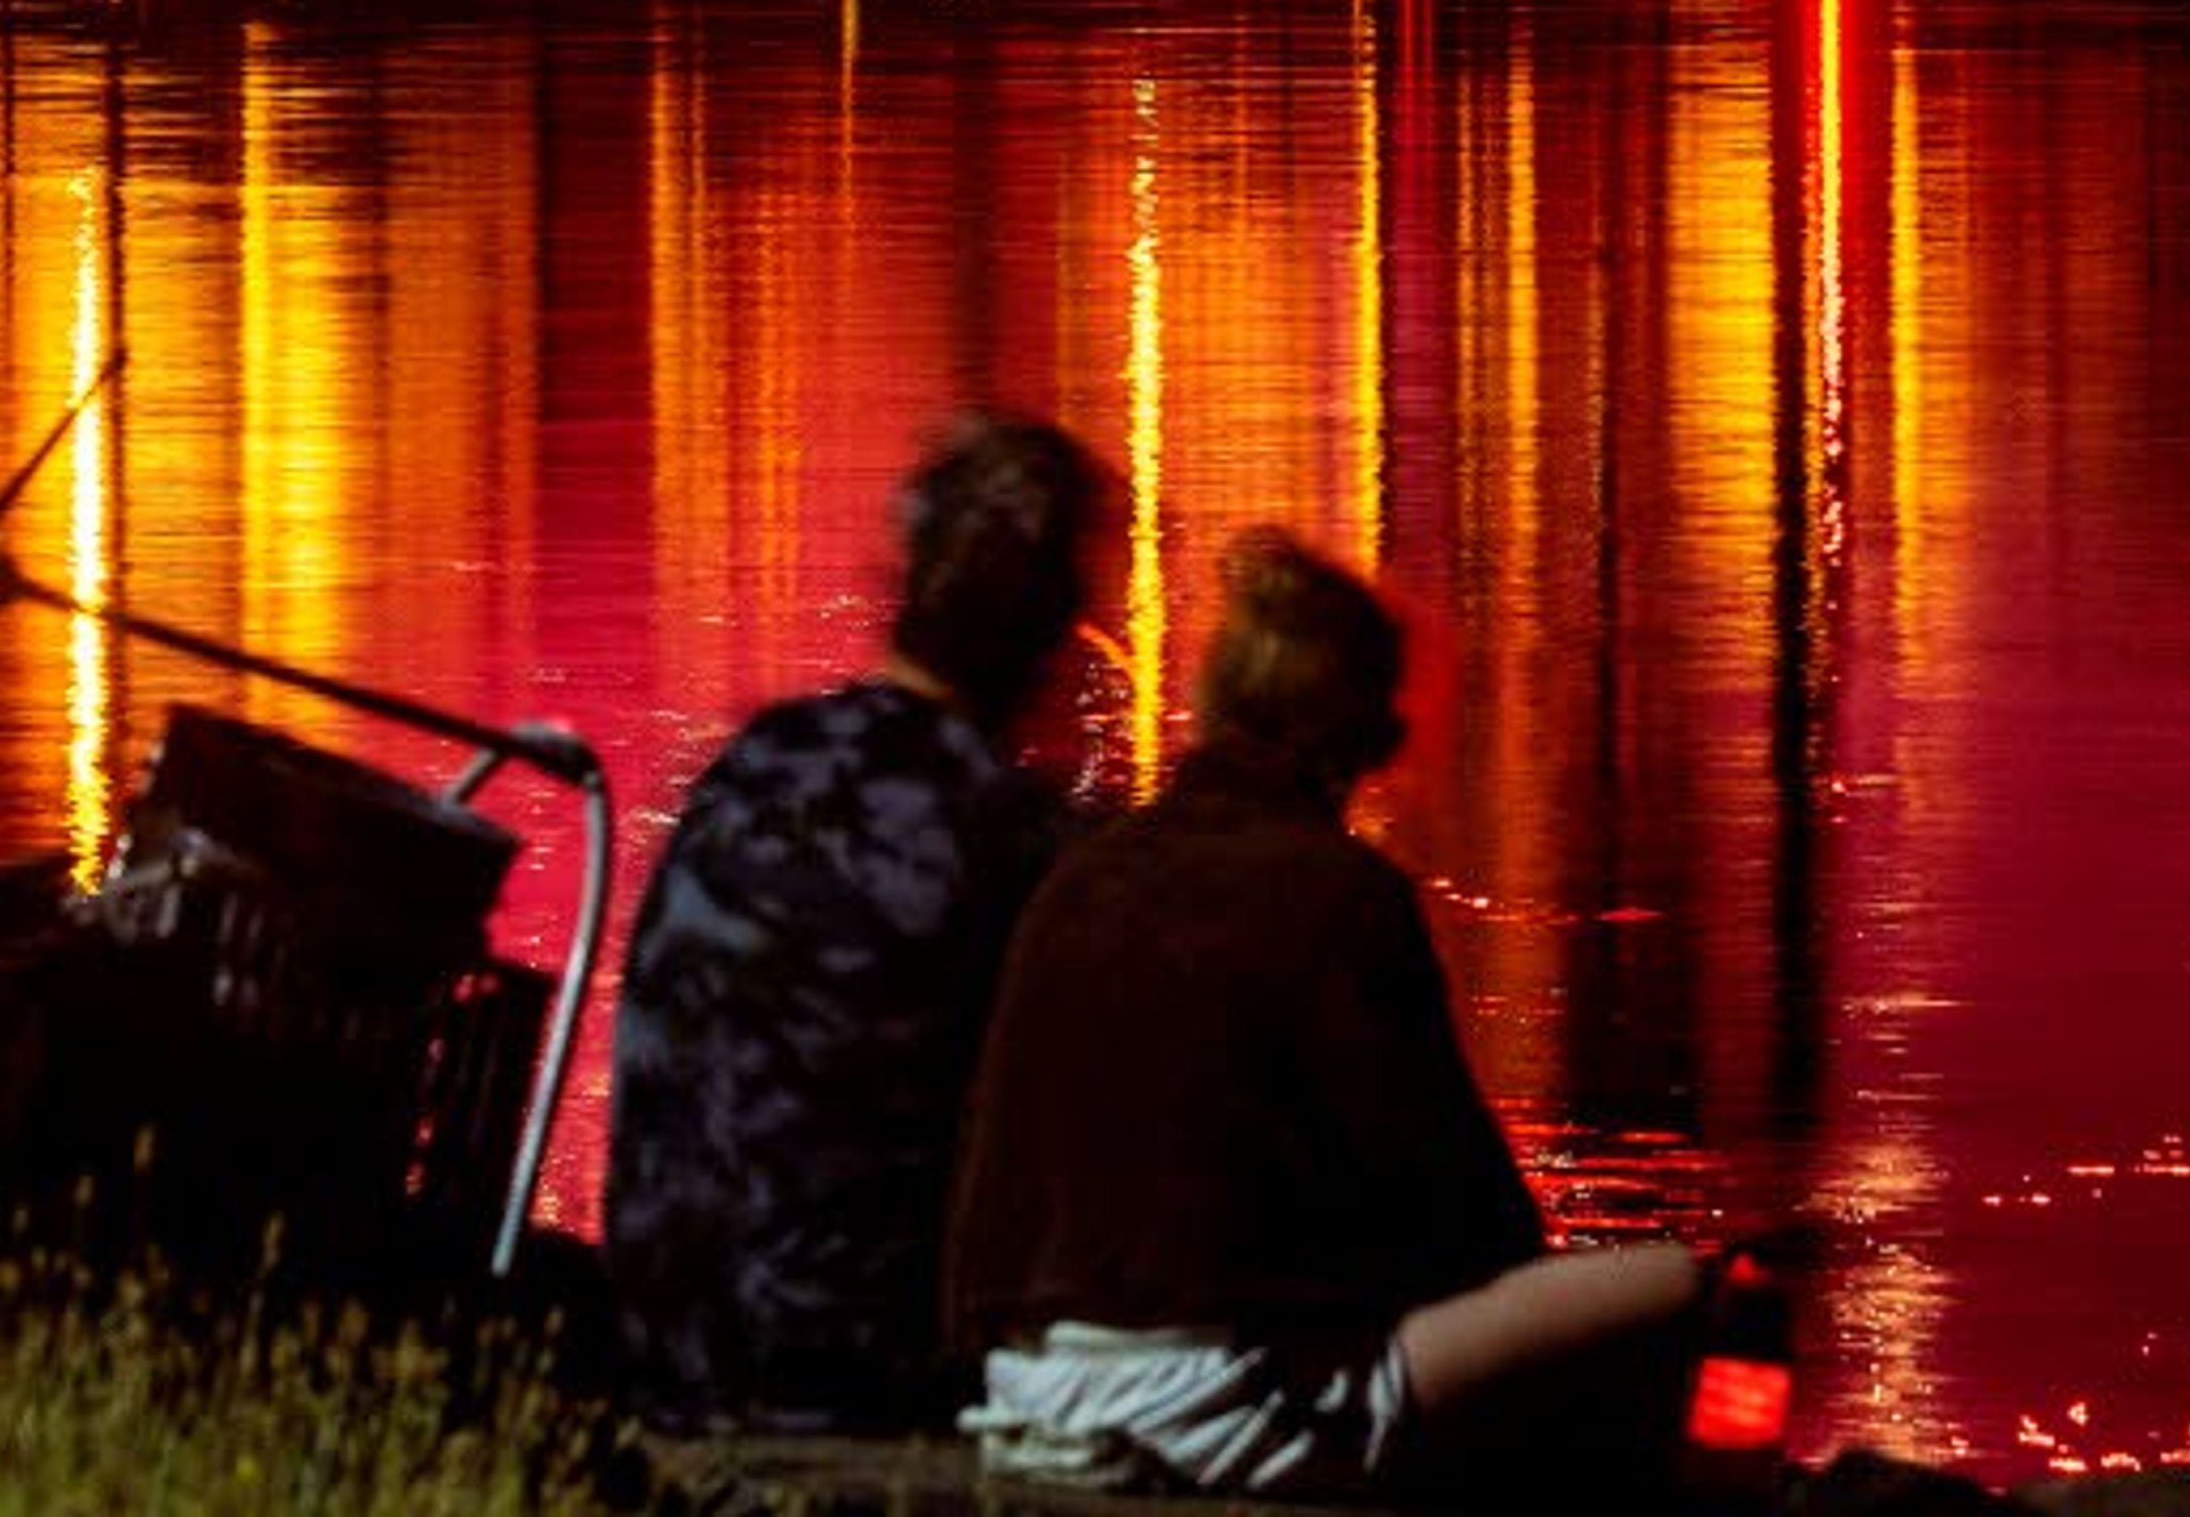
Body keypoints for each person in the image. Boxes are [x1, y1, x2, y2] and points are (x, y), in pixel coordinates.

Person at [948, 526, 1726, 1498]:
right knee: (1693, 1292)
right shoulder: (1339, 895)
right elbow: (1462, 1208)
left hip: (1031, 1388)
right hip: (1225, 1401)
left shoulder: (1085, 872)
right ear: (1359, 733)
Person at [602, 410, 1117, 1436]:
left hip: (661, 1340)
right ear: (1057, 632)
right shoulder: (1015, 840)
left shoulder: (753, 762)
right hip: (854, 1378)